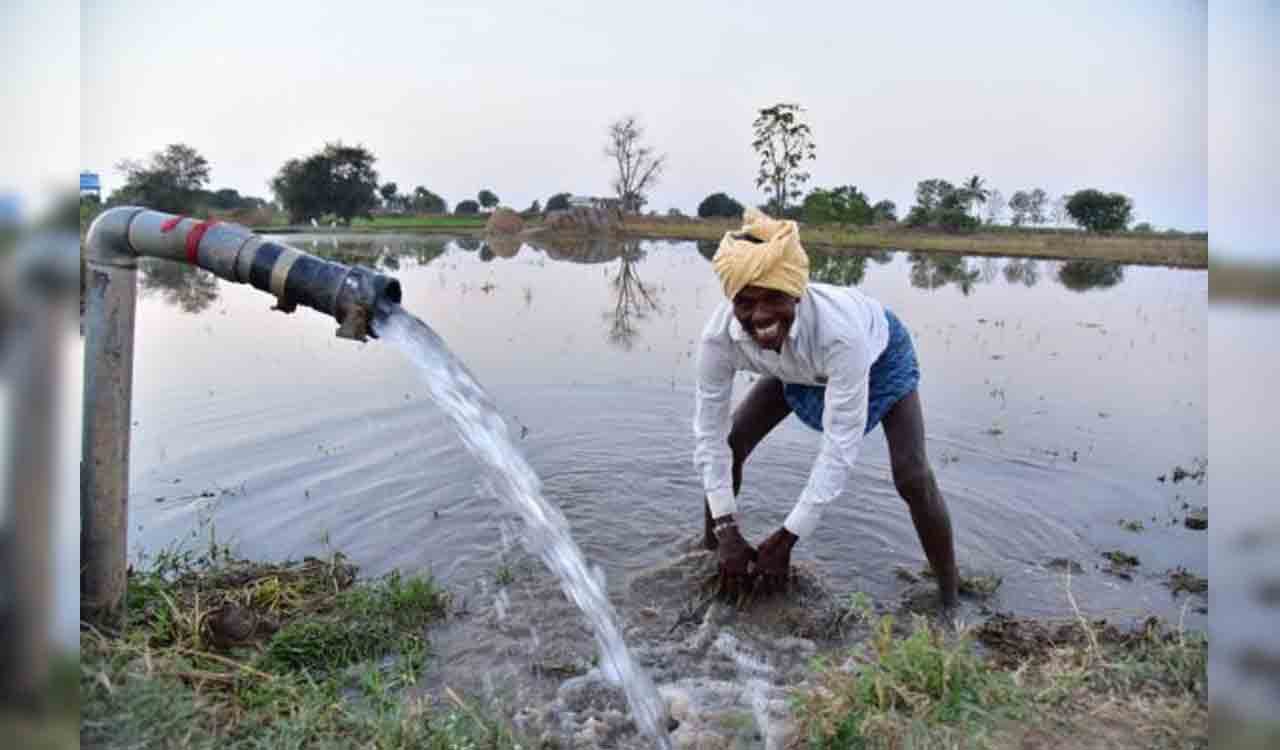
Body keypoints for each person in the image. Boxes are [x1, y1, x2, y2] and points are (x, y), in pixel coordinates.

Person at [693, 208, 959, 614]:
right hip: (793, 366)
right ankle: (715, 553)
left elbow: (839, 447)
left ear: (796, 292)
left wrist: (787, 538)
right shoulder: (719, 339)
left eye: (773, 299)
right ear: (732, 301)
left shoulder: (841, 335)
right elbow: (710, 439)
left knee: (912, 475)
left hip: (878, 356)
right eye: (746, 303)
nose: (760, 316)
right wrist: (726, 526)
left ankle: (949, 597)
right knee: (732, 442)